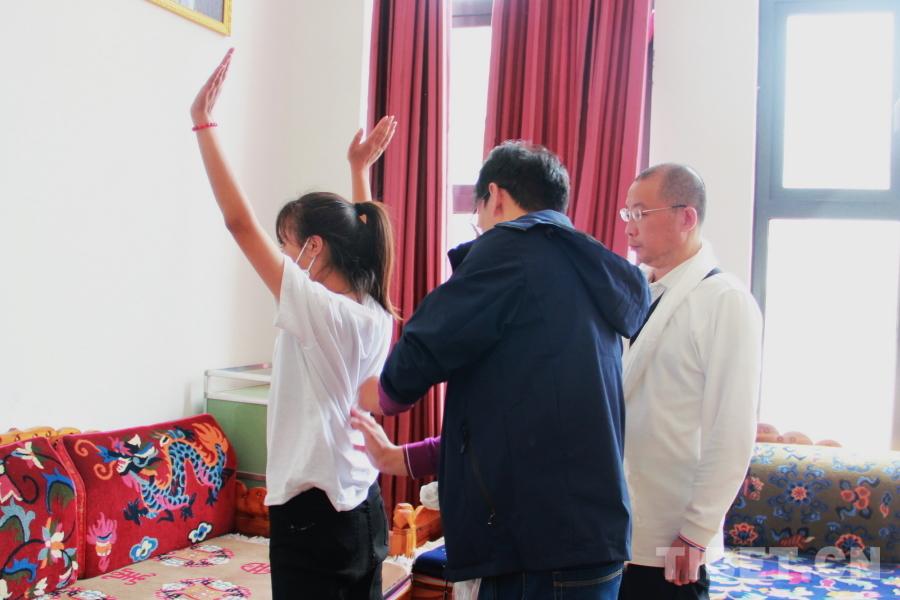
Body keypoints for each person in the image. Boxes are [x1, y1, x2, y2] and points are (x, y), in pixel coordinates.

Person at [358, 141, 651, 599]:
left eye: (477, 213)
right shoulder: (586, 268)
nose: (479, 226)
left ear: (495, 196)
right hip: (594, 539)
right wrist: (404, 458)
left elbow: (410, 365)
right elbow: (519, 415)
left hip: (536, 545)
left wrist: (372, 392)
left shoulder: (508, 252)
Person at [190, 49, 398, 599]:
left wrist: (203, 123)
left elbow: (238, 222)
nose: (282, 257)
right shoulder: (373, 309)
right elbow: (367, 241)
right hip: (363, 507)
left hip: (313, 516)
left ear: (314, 247)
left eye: (286, 245)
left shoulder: (318, 310)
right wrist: (358, 171)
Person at [616, 164, 762, 600]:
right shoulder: (635, 292)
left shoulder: (725, 300)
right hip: (615, 527)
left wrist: (697, 532)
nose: (630, 227)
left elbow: (731, 429)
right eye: (627, 214)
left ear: (686, 217)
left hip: (672, 533)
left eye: (641, 213)